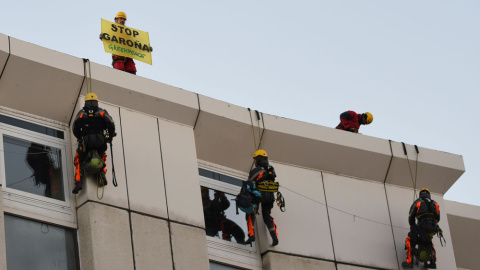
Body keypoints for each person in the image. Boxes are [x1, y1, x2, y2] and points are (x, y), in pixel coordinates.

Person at [72, 93, 116, 194]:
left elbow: (75, 127)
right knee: (102, 156)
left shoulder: (82, 113)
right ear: (96, 102)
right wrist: (111, 136)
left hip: (86, 140)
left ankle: (79, 181)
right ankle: (102, 174)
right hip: (100, 139)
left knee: (79, 159)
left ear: (86, 102)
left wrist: (79, 138)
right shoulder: (102, 112)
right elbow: (111, 124)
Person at [244, 149, 279, 246]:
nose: (254, 162)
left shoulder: (256, 170)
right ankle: (274, 237)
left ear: (258, 159)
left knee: (250, 213)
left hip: (259, 194)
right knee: (266, 215)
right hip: (270, 196)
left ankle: (251, 235)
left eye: (255, 159)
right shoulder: (271, 169)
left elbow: (250, 182)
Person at [402, 188, 440, 269]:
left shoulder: (418, 202)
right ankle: (432, 263)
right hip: (433, 229)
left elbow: (411, 215)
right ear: (429, 195)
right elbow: (438, 218)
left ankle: (409, 262)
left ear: (420, 194)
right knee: (429, 241)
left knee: (410, 238)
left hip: (422, 227)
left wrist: (413, 226)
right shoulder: (435, 203)